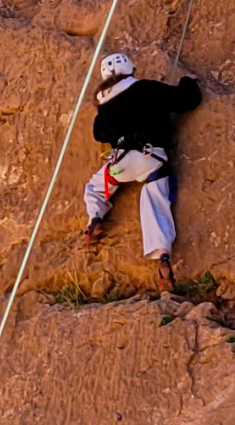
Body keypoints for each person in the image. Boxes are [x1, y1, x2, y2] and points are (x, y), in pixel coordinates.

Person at [81, 53, 202, 292]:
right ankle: (163, 256)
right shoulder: (146, 88)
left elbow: (99, 134)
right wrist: (189, 81)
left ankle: (95, 218)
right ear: (130, 69)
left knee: (95, 188)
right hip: (151, 159)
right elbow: (187, 100)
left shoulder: (104, 104)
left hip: (120, 164)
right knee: (155, 200)